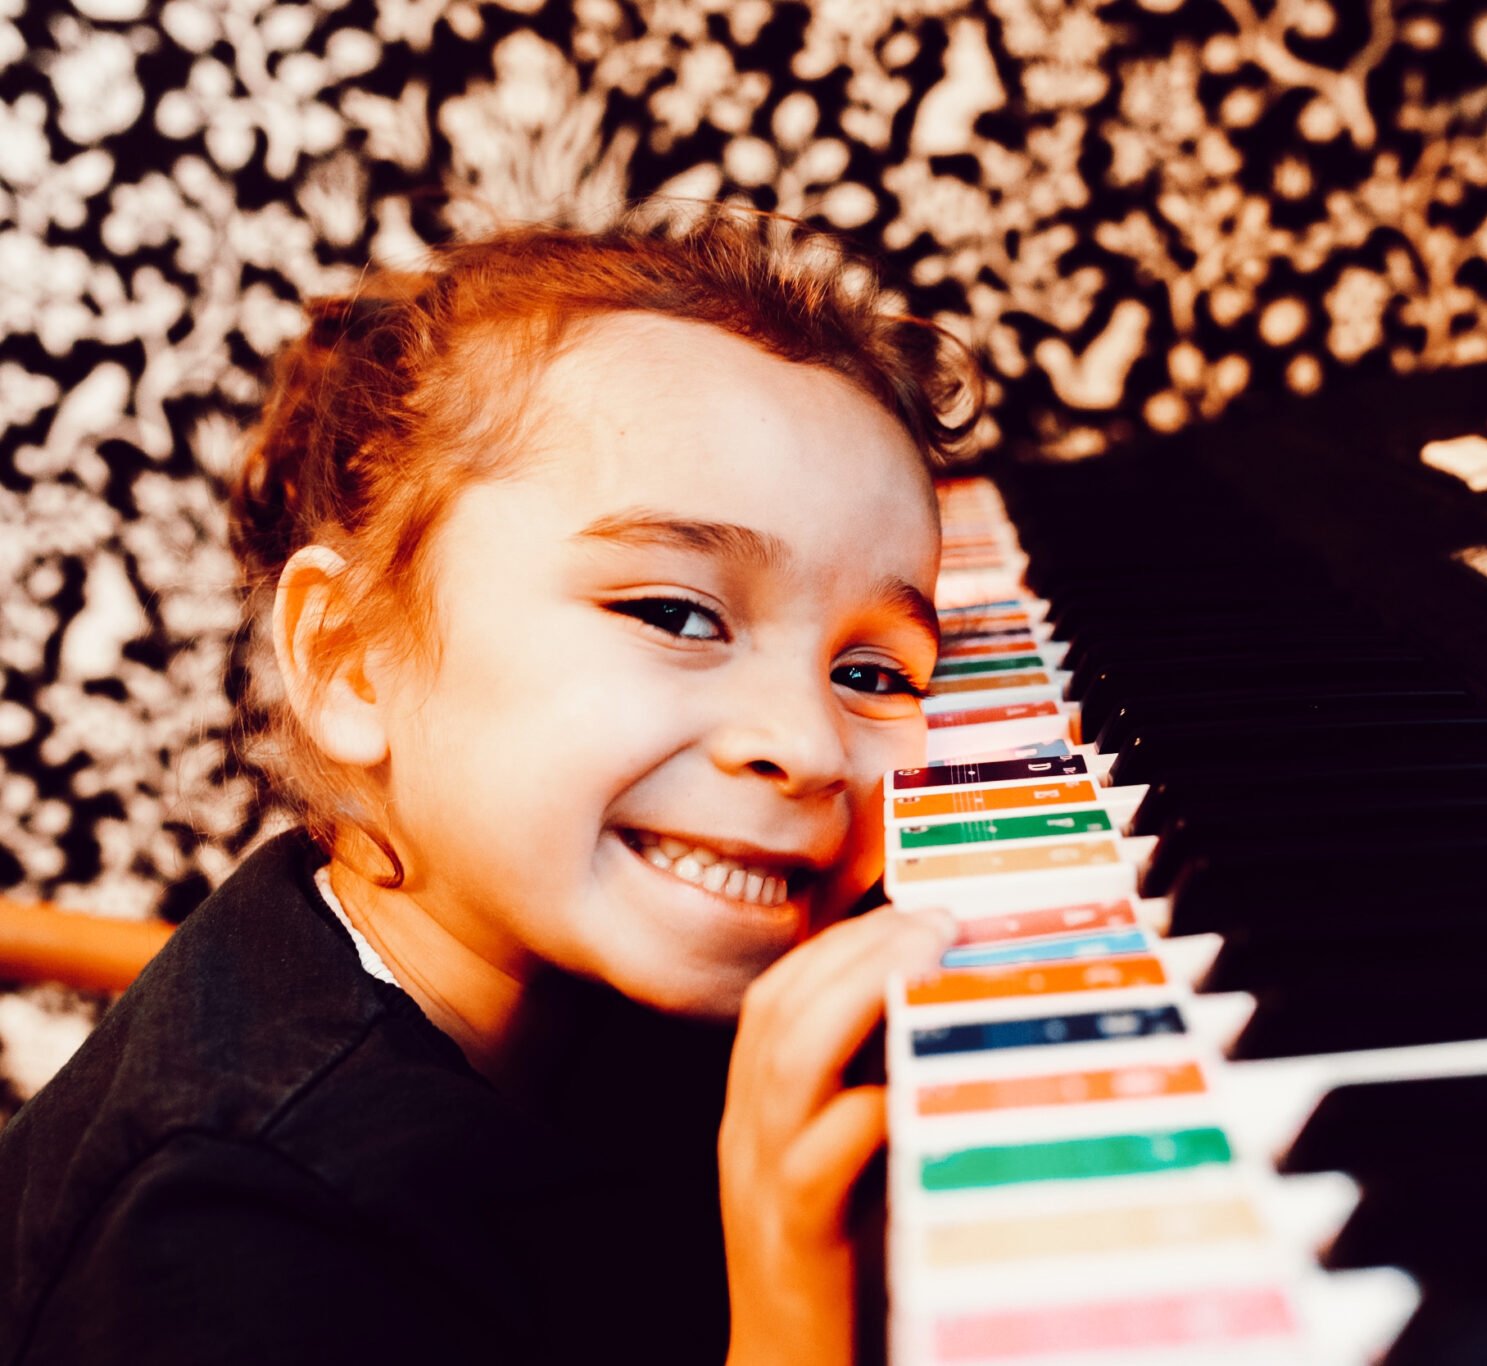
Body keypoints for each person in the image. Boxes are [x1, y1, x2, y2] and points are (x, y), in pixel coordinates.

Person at [0, 211, 980, 1365]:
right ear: (350, 657)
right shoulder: (238, 1243)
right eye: (673, 613)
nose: (808, 744)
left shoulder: (513, 951)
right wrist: (786, 1324)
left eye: (871, 673)